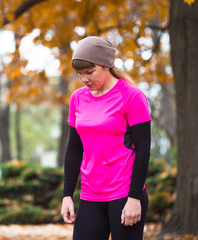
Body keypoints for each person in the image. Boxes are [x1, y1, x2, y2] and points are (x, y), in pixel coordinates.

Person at [60, 36, 151, 240]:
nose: (84, 79)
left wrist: (134, 198)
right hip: (90, 194)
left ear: (107, 65)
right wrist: (67, 195)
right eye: (79, 74)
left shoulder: (132, 97)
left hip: (124, 193)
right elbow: (74, 149)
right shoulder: (77, 98)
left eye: (89, 72)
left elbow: (143, 149)